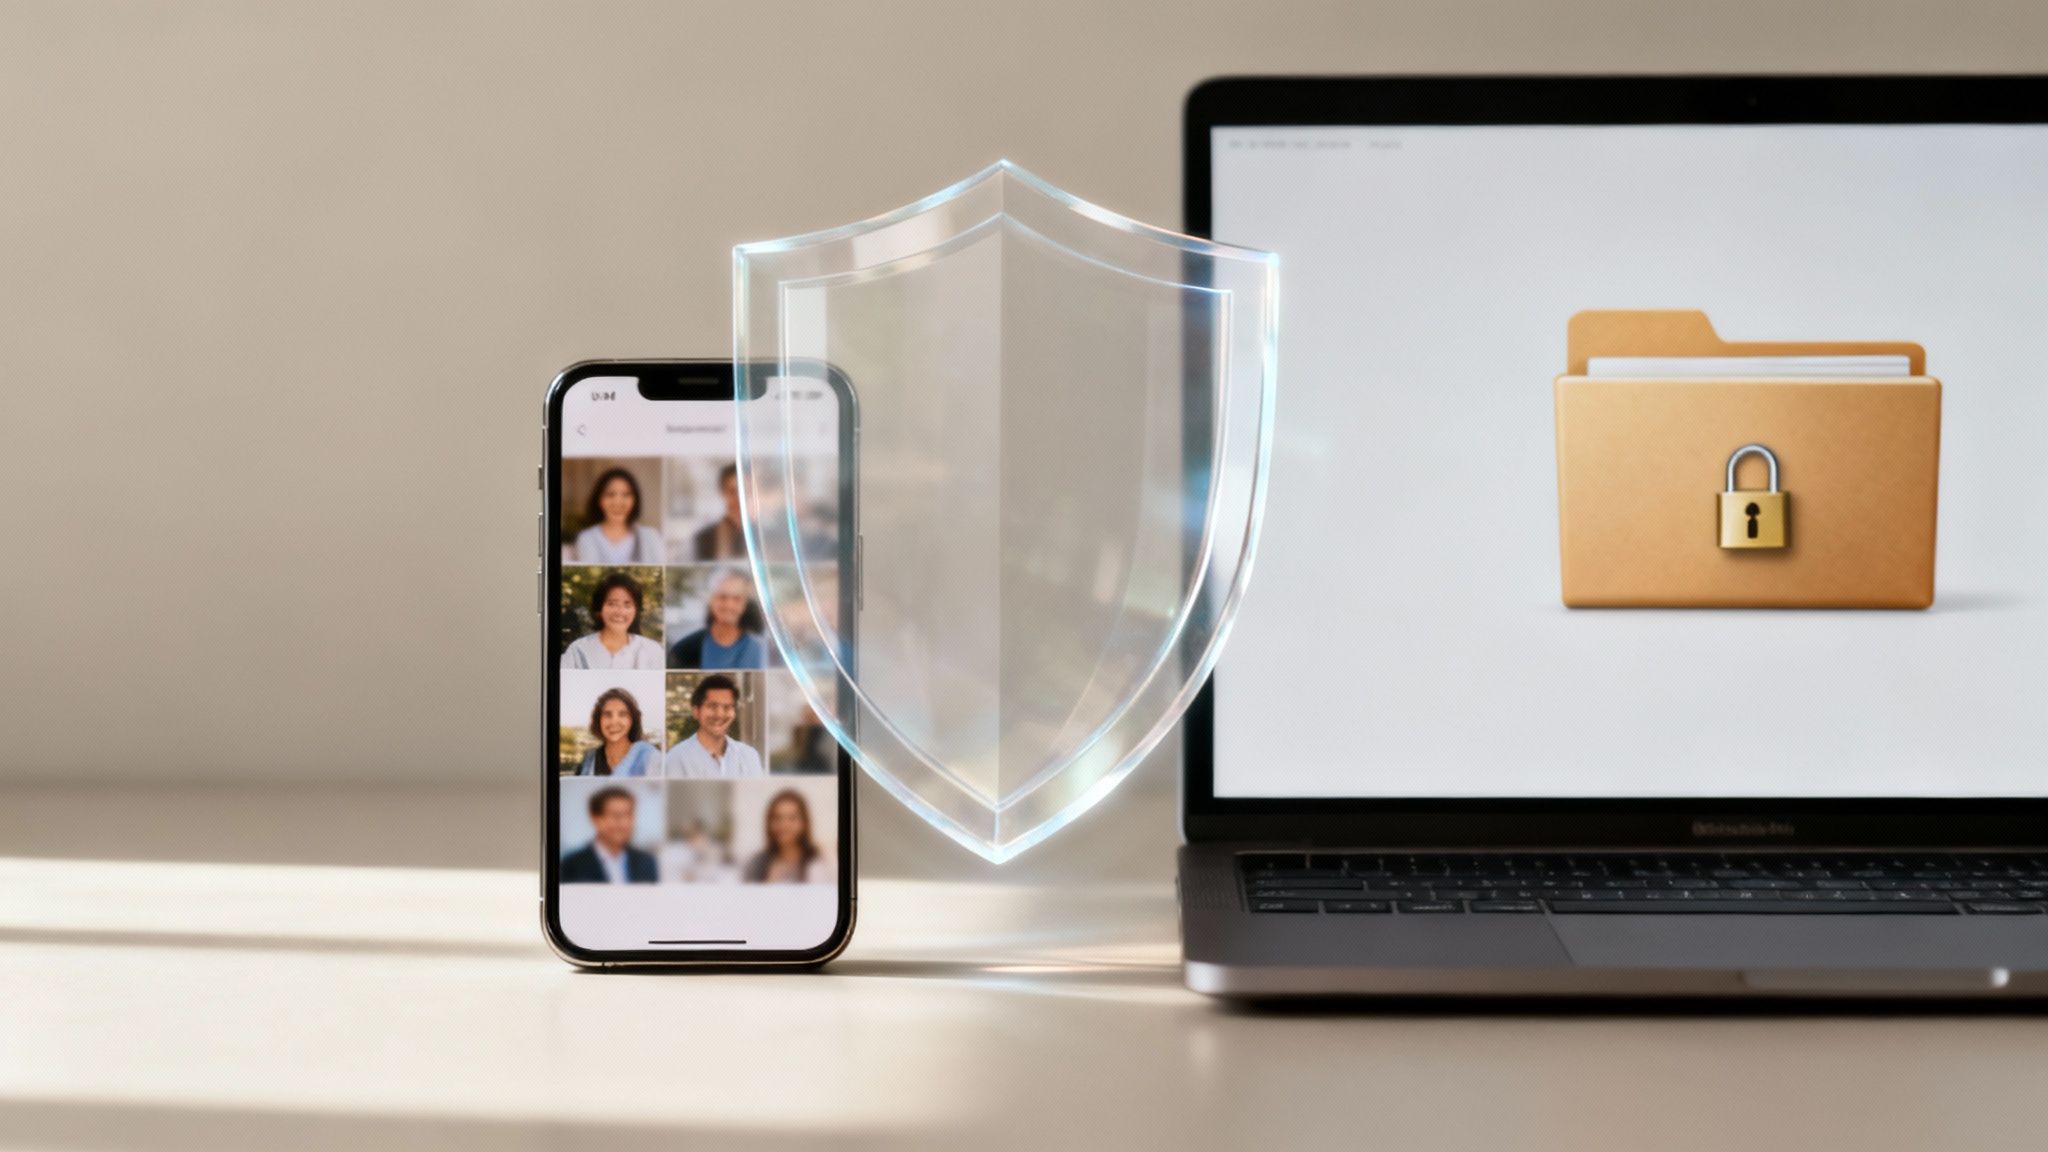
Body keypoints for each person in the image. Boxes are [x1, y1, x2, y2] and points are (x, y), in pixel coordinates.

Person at [662, 673, 765, 778]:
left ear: (734, 713)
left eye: (727, 707)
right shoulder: (676, 758)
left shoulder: (749, 756)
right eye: (712, 706)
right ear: (696, 711)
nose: (719, 714)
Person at [667, 567, 766, 669]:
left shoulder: (758, 648)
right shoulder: (683, 651)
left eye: (737, 599)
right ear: (710, 600)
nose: (729, 605)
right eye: (722, 597)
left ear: (745, 603)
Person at [561, 571, 663, 670]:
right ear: (599, 609)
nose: (620, 611)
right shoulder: (578, 650)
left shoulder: (653, 651)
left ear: (636, 611)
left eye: (627, 605)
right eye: (612, 604)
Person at [560, 786, 657, 883]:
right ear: (596, 819)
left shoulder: (647, 863)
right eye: (617, 816)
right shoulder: (571, 866)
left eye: (629, 815)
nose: (625, 824)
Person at [573, 467, 663, 564]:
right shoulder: (587, 538)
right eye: (610, 494)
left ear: (635, 500)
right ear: (599, 500)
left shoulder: (650, 537)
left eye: (626, 494)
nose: (618, 502)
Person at [743, 788, 832, 883]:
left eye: (792, 818)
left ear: (805, 823)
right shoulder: (756, 864)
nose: (784, 825)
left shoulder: (820, 861)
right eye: (777, 818)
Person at [573, 687, 661, 776]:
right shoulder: (588, 762)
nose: (614, 721)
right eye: (607, 714)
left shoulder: (648, 758)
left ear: (632, 720)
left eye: (622, 714)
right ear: (598, 720)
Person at [692, 463, 744, 560]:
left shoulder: (765, 537)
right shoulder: (704, 538)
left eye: (744, 492)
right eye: (732, 492)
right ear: (722, 493)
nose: (738, 499)